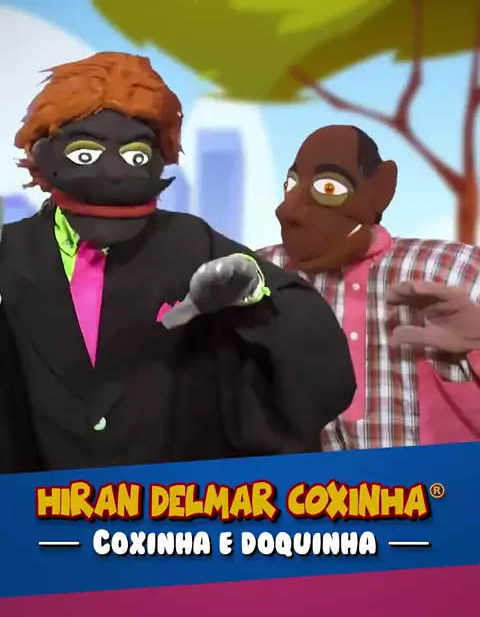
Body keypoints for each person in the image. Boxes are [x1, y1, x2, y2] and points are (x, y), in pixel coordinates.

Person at [0, 54, 355, 473]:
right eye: (85, 153)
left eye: (136, 155)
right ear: (42, 155)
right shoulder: (12, 250)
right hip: (37, 497)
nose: (115, 173)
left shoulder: (190, 241)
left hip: (171, 498)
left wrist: (251, 296)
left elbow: (306, 338)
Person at [258, 124, 480, 450]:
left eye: (329, 187)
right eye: (290, 185)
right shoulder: (260, 275)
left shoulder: (453, 269)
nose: (287, 209)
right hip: (308, 482)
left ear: (380, 189)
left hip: (439, 481)